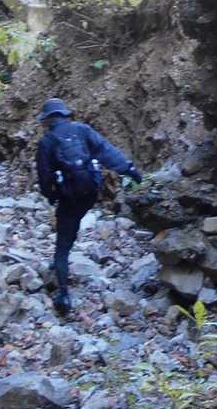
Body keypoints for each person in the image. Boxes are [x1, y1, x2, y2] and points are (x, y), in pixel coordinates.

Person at [34, 98, 142, 315]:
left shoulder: (47, 142)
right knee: (73, 223)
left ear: (48, 120)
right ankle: (62, 258)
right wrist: (130, 170)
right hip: (91, 193)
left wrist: (51, 196)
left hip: (69, 197)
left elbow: (44, 177)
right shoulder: (82, 130)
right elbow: (106, 151)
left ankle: (63, 294)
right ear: (65, 115)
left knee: (63, 242)